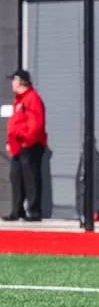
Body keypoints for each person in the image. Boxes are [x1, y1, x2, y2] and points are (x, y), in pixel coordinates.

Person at [5, 68, 47, 222]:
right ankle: (17, 211)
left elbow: (35, 124)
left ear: (21, 81)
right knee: (16, 177)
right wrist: (10, 142)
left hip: (30, 145)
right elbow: (15, 123)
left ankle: (34, 211)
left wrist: (25, 139)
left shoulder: (32, 99)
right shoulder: (19, 100)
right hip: (18, 145)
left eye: (14, 80)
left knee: (31, 178)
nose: (12, 83)